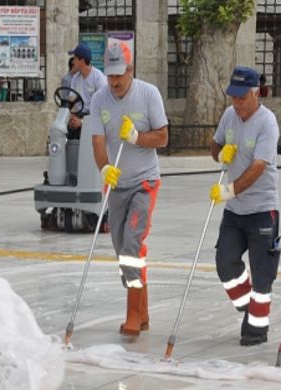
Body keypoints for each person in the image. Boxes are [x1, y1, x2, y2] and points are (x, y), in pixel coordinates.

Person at [89, 41, 168, 336]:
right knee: (122, 248)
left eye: (119, 75)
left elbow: (163, 138)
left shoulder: (149, 94)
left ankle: (133, 315)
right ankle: (143, 312)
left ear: (131, 70)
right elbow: (98, 142)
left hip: (145, 183)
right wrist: (105, 168)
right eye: (110, 75)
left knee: (132, 247)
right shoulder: (99, 100)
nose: (114, 82)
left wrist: (136, 136)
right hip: (117, 187)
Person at [209, 66, 281, 346]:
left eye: (241, 98)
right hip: (235, 210)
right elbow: (214, 147)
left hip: (262, 208)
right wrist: (221, 153)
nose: (236, 103)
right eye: (233, 98)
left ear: (254, 93)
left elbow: (258, 167)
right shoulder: (229, 116)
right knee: (225, 263)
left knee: (263, 274)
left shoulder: (268, 122)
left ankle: (257, 327)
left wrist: (229, 190)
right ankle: (249, 308)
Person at [68, 43, 107, 138]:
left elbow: (103, 108)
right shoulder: (75, 78)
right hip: (78, 114)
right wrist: (71, 118)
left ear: (81, 61)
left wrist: (82, 122)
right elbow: (72, 100)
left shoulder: (98, 78)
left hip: (93, 117)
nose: (73, 62)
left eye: (75, 59)